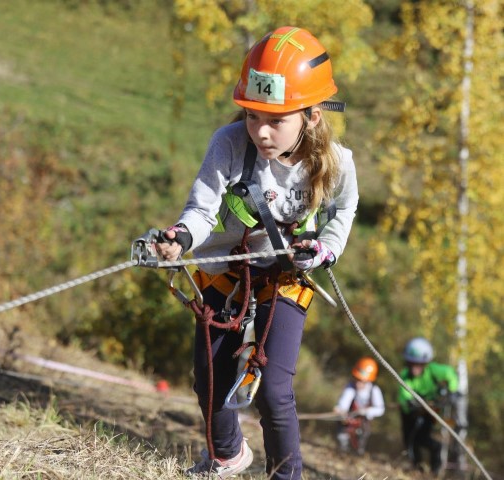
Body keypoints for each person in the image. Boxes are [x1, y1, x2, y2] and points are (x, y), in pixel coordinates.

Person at [155, 26, 359, 479]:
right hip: (224, 271)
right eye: (252, 116)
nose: (261, 131)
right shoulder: (228, 144)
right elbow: (201, 209)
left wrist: (325, 248)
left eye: (275, 120)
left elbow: (343, 211)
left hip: (286, 275)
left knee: (274, 391)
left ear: (311, 116)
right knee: (209, 380)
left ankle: (287, 475)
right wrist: (179, 238)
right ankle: (227, 453)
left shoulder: (335, 162)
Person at [397, 337, 459, 475]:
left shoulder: (434, 370)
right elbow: (404, 397)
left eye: (418, 364)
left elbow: (451, 375)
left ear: (425, 363)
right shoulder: (404, 376)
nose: (415, 368)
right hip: (410, 414)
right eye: (411, 363)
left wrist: (453, 391)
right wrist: (412, 405)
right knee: (410, 441)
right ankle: (417, 470)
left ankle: (435, 472)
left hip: (430, 410)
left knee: (424, 438)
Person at [333, 357, 385, 455]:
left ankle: (358, 452)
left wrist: (366, 411)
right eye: (357, 379)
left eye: (361, 381)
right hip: (349, 418)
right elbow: (344, 402)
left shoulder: (374, 390)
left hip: (363, 421)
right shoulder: (350, 387)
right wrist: (340, 410)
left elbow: (380, 409)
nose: (358, 383)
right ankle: (343, 451)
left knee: (362, 437)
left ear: (368, 380)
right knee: (342, 434)